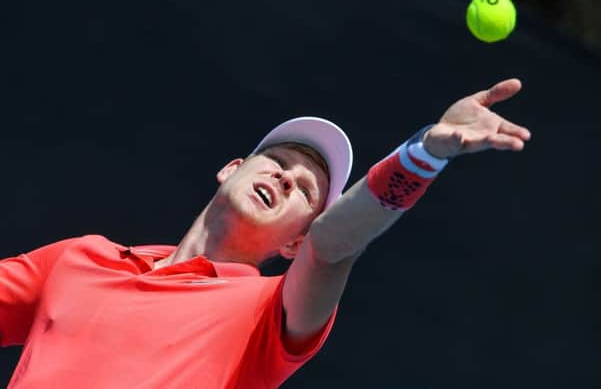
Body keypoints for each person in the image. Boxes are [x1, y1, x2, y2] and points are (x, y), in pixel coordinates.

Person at [0, 78, 531, 388]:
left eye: (305, 189)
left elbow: (332, 249)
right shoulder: (82, 259)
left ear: (295, 242)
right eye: (278, 160)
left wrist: (424, 154)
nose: (284, 175)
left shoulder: (266, 312)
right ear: (232, 168)